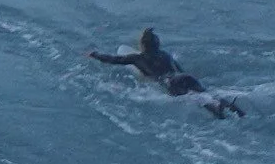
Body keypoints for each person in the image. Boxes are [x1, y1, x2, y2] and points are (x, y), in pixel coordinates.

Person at [89, 28, 246, 119]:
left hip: (171, 83)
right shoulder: (165, 55)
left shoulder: (137, 58)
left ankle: (219, 113)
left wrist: (94, 54)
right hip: (185, 77)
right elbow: (180, 70)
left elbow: (112, 59)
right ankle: (230, 106)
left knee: (199, 101)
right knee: (207, 95)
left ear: (143, 45)